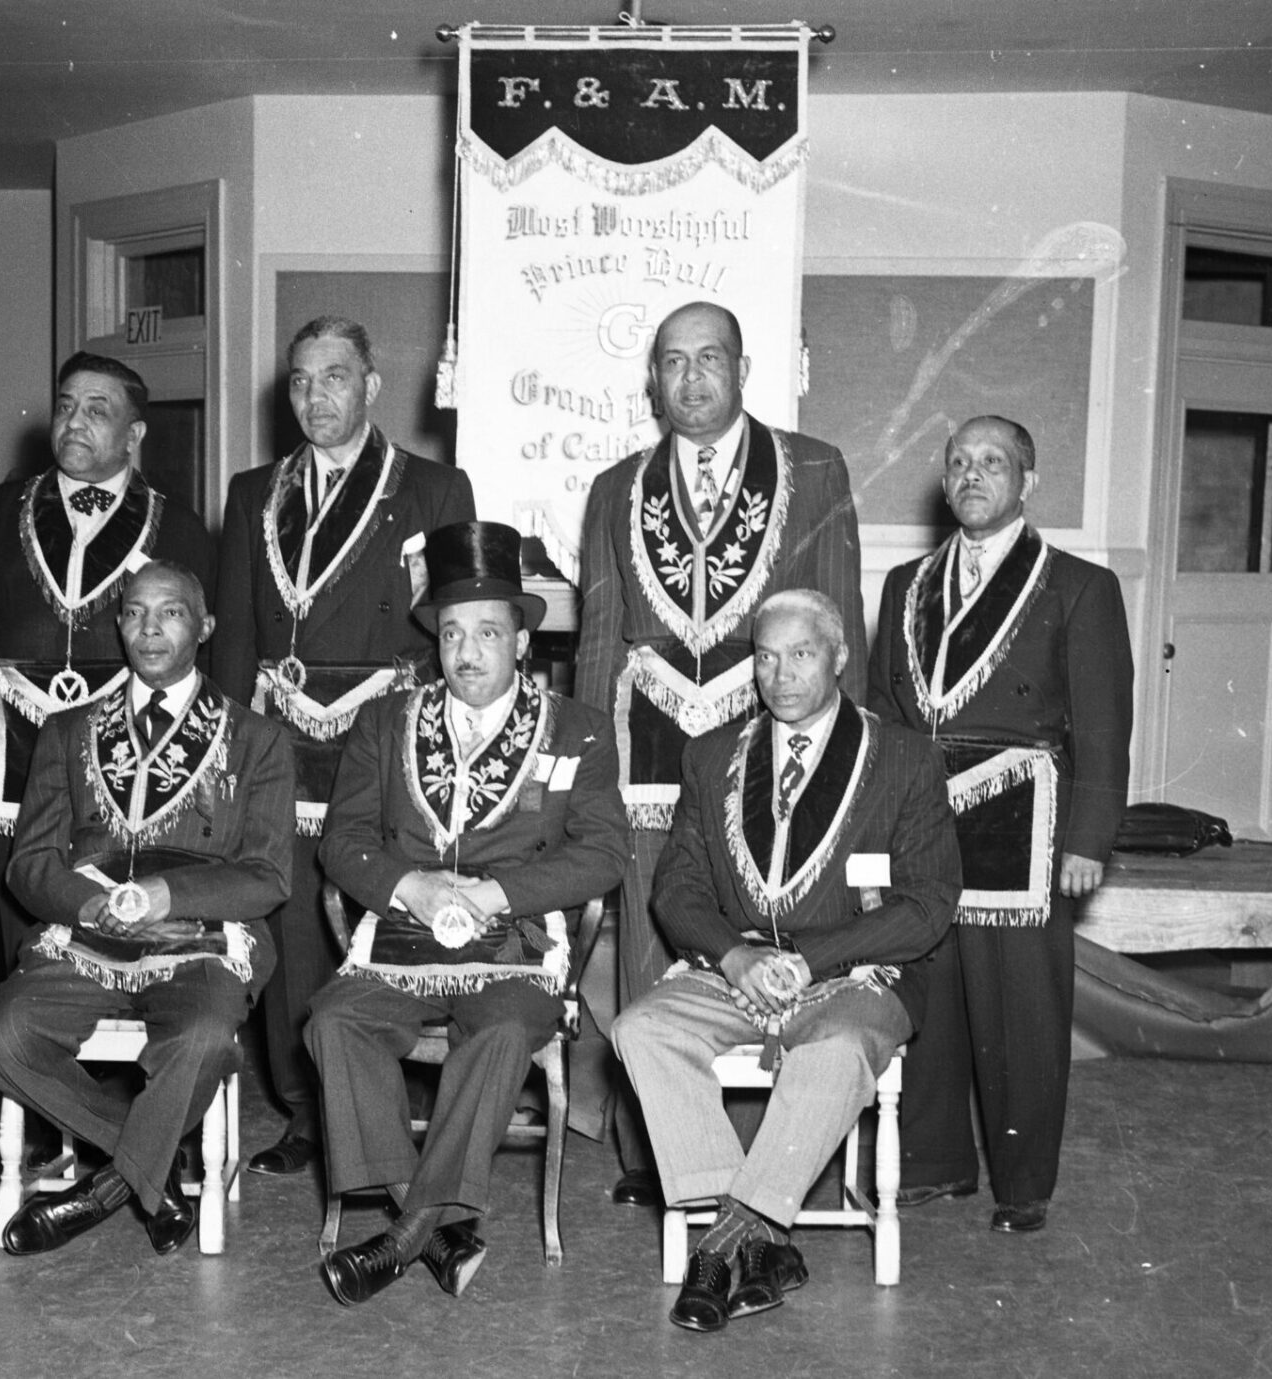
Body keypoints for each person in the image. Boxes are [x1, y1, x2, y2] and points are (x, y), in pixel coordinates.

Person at [574, 300, 867, 1204]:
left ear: (744, 369)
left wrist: (842, 756)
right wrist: (589, 776)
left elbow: (839, 617)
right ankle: (655, 1157)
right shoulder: (616, 485)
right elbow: (597, 635)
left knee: (778, 922)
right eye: (673, 362)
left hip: (773, 737)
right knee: (651, 930)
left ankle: (774, 1155)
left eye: (711, 359)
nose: (692, 378)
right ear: (652, 379)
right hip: (646, 738)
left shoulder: (813, 467)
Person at [614, 590, 959, 1333]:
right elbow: (678, 888)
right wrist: (736, 955)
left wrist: (809, 958)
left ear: (837, 657)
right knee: (641, 1028)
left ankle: (722, 1247)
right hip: (740, 970)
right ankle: (762, 1241)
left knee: (834, 1052)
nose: (780, 675)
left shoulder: (901, 756)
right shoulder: (713, 755)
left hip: (858, 972)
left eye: (801, 654)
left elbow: (929, 906)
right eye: (765, 656)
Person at [308, 520, 630, 1304]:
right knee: (331, 1023)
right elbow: (342, 842)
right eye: (452, 632)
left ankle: (403, 1233)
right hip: (403, 939)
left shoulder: (577, 730)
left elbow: (606, 854)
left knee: (501, 1035)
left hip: (513, 942)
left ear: (522, 642)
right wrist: (409, 886)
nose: (468, 651)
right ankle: (430, 1225)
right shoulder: (386, 723)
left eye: (489, 631)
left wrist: (496, 893)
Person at [217, 316, 476, 1178]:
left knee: (383, 915)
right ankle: (306, 1107)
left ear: (370, 385)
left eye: (333, 377)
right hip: (280, 734)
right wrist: (224, 746)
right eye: (298, 379)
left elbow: (451, 628)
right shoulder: (254, 490)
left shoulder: (433, 487)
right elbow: (236, 636)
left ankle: (393, 1094)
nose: (313, 396)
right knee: (289, 919)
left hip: (383, 736)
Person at [0, 560, 294, 1258]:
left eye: (171, 612)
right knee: (6, 1039)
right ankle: (148, 1165)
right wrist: (93, 905)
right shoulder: (69, 729)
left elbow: (269, 877)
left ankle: (105, 1190)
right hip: (88, 930)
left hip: (204, 933)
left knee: (206, 1037)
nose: (149, 629)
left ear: (205, 626)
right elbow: (30, 863)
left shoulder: (256, 737)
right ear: (117, 623)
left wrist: (167, 895)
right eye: (134, 613)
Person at [868, 415, 1135, 1235]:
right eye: (959, 463)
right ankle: (934, 1162)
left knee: (1019, 1006)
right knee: (928, 992)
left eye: (993, 463)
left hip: (1025, 818)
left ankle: (1023, 1183)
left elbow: (1102, 724)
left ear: (1028, 481)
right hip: (922, 814)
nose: (972, 476)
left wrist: (1089, 839)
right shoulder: (905, 582)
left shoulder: (1079, 586)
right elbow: (881, 714)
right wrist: (870, 827)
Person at [0, 352, 217, 965]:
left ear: (135, 433)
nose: (76, 422)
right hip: (13, 739)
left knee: (120, 901)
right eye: (67, 407)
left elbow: (201, 649)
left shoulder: (177, 525)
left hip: (130, 742)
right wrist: (25, 695)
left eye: (98, 411)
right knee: (21, 906)